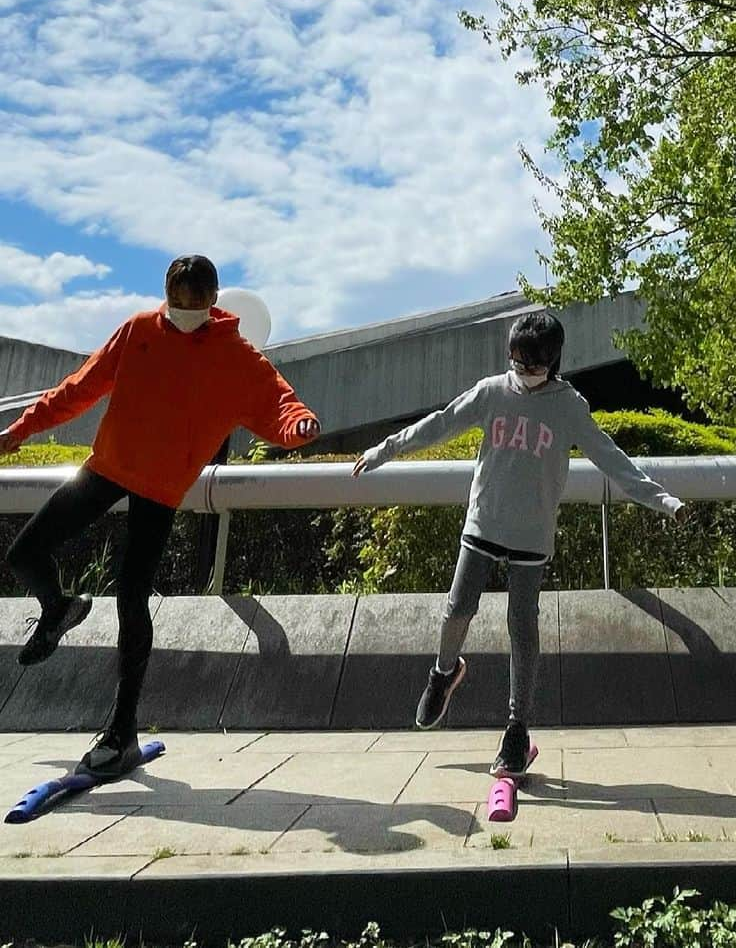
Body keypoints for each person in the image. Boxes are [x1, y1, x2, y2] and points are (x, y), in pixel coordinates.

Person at [2, 255, 320, 778]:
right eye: (176, 306)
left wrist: (298, 426)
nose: (183, 316)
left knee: (131, 594)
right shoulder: (138, 331)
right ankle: (58, 609)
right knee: (24, 553)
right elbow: (79, 388)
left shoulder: (233, 354)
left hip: (160, 488)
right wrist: (21, 431)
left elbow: (278, 401)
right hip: (107, 467)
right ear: (165, 295)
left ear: (214, 302)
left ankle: (120, 731)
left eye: (194, 308)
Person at [354, 310, 688, 777]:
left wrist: (664, 501)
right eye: (516, 363)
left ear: (553, 362)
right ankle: (444, 672)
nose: (523, 374)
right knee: (457, 609)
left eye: (533, 366)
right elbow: (440, 424)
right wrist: (383, 451)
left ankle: (517, 729)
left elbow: (612, 460)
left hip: (532, 534)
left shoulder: (569, 405)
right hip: (484, 522)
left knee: (522, 627)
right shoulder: (492, 391)